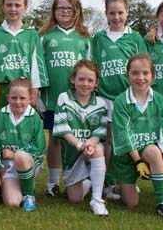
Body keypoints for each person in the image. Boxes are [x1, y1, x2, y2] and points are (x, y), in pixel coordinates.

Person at [92, 0, 147, 200]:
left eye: (120, 13)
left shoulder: (135, 37)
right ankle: (106, 182)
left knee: (126, 140)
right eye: (112, 13)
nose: (116, 17)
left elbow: (143, 65)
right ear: (106, 15)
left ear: (127, 13)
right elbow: (94, 65)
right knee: (108, 141)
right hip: (106, 96)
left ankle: (125, 180)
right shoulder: (99, 38)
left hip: (129, 97)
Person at [39, 0, 92, 197]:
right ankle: (52, 183)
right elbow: (39, 67)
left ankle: (80, 179)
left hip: (78, 99)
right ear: (54, 10)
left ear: (77, 11)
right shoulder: (44, 36)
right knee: (55, 138)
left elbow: (90, 67)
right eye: (61, 8)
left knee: (79, 137)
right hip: (53, 98)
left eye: (69, 8)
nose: (65, 12)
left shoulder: (84, 38)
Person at [112, 54, 163, 219]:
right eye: (135, 73)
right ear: (128, 76)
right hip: (128, 156)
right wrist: (137, 161)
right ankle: (119, 185)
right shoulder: (120, 101)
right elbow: (123, 134)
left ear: (152, 76)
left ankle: (162, 203)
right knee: (132, 203)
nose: (140, 78)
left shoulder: (160, 100)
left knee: (154, 150)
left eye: (145, 73)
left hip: (148, 151)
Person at [0, 0, 49, 119]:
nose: (13, 9)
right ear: (3, 7)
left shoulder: (31, 34)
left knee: (24, 126)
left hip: (24, 90)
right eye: (9, 5)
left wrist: (34, 92)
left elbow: (36, 66)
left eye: (17, 5)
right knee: (2, 126)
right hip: (1, 88)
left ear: (25, 7)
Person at [53, 60, 108, 215]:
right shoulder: (64, 98)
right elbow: (63, 129)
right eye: (81, 79)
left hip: (90, 150)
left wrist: (90, 143)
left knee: (98, 149)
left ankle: (97, 200)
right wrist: (79, 145)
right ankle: (91, 181)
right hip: (73, 154)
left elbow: (100, 132)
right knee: (75, 199)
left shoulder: (101, 103)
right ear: (73, 79)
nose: (85, 84)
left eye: (90, 80)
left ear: (96, 83)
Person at [0, 77, 46, 211]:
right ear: (7, 98)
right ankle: (10, 188)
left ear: (30, 99)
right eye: (14, 98)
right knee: (12, 203)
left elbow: (40, 146)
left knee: (20, 156)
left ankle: (29, 194)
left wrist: (14, 154)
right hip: (8, 168)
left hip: (27, 163)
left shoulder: (34, 117)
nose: (18, 102)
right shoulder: (1, 115)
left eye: (22, 98)